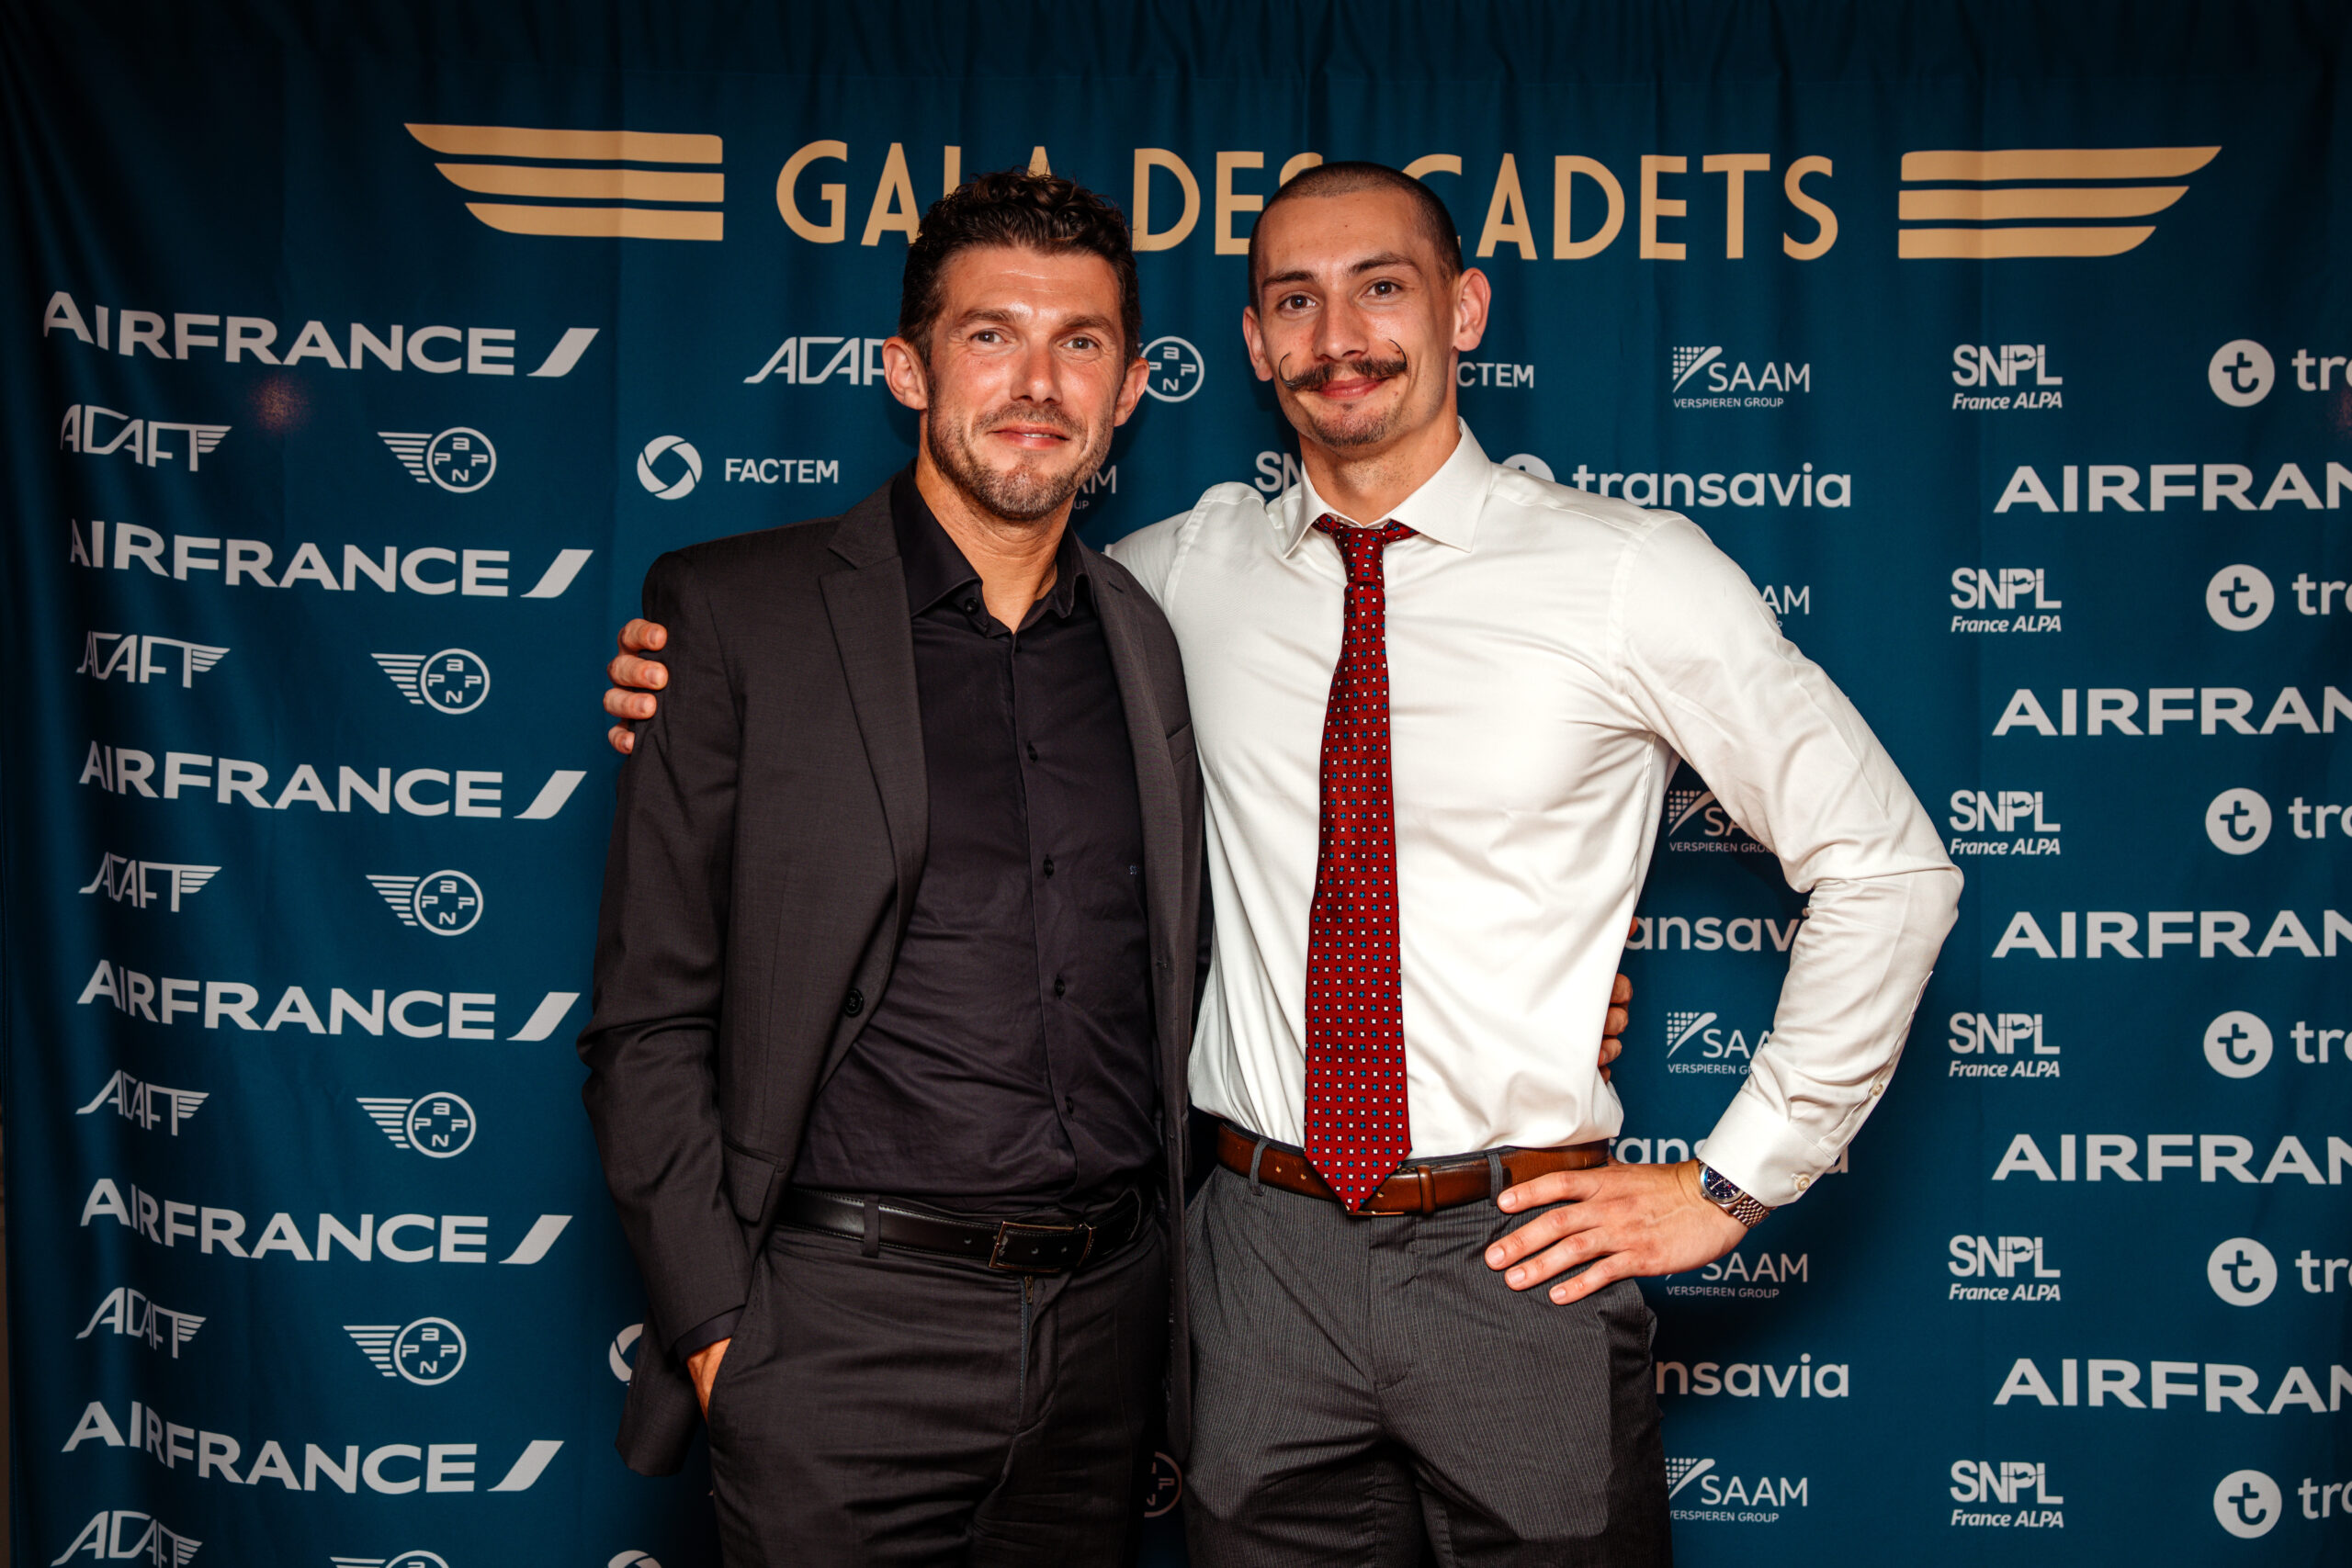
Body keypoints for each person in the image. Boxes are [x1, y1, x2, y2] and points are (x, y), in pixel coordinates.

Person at [607, 161, 1941, 1566]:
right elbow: (920, 631)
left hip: (1514, 1249)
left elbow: (1890, 867)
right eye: (1294, 300)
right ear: (1250, 344)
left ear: (1466, 311)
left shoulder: (1629, 573)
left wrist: (1733, 1181)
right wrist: (692, 682)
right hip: (1249, 1257)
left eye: (1383, 287)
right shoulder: (1167, 582)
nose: (1339, 335)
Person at [580, 171, 1197, 1565]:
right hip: (835, 1338)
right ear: (906, 369)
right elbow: (648, 1018)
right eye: (991, 335)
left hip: (1105, 1340)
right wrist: (723, 1339)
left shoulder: (1150, 636)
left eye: (1080, 342)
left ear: (1129, 388)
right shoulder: (735, 615)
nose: (1037, 382)